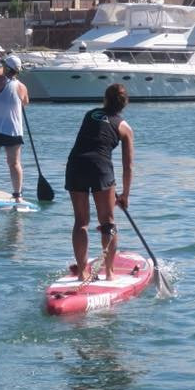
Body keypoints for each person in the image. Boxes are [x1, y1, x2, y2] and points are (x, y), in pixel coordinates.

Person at [64, 84, 134, 281]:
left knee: (81, 221)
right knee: (108, 223)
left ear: (105, 99)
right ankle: (110, 273)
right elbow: (128, 167)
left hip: (75, 165)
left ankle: (82, 272)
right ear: (124, 104)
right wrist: (124, 195)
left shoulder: (90, 114)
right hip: (100, 169)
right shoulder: (125, 128)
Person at [0, 53, 29, 202]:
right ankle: (18, 196)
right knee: (14, 163)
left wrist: (3, 64)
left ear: (6, 68)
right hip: (13, 129)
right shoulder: (22, 87)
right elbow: (25, 103)